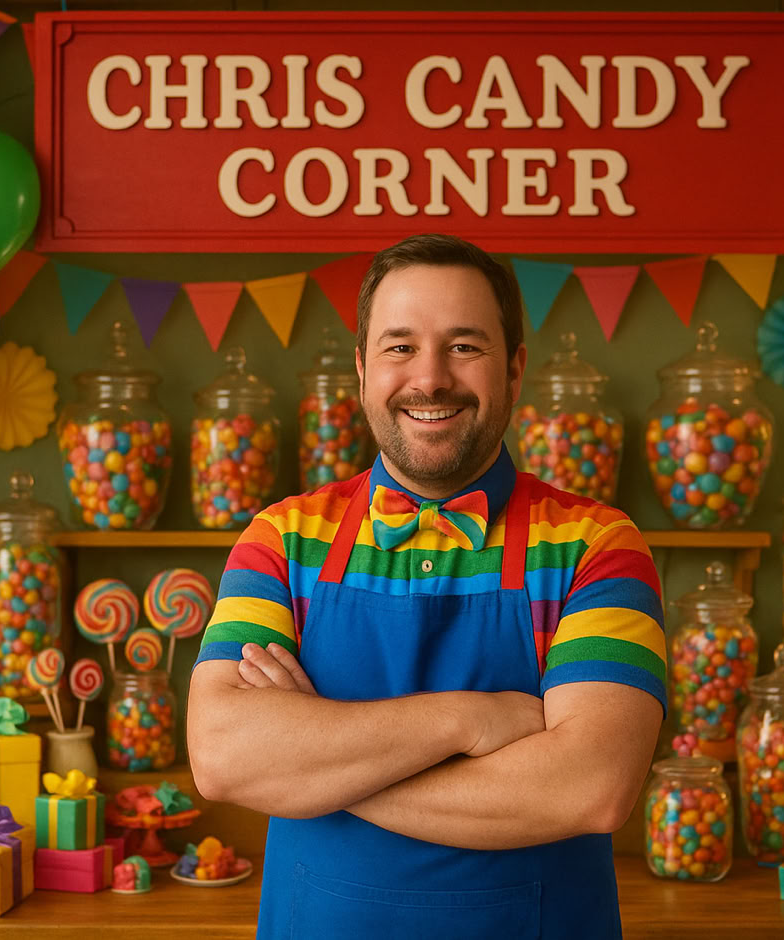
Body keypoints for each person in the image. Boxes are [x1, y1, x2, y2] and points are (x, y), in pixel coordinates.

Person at [188, 233, 665, 939]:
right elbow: (224, 758)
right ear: (361, 370)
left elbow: (591, 789)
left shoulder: (597, 544)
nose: (431, 377)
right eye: (400, 346)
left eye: (465, 346)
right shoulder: (284, 539)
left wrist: (315, 769)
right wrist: (471, 721)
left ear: (515, 370)